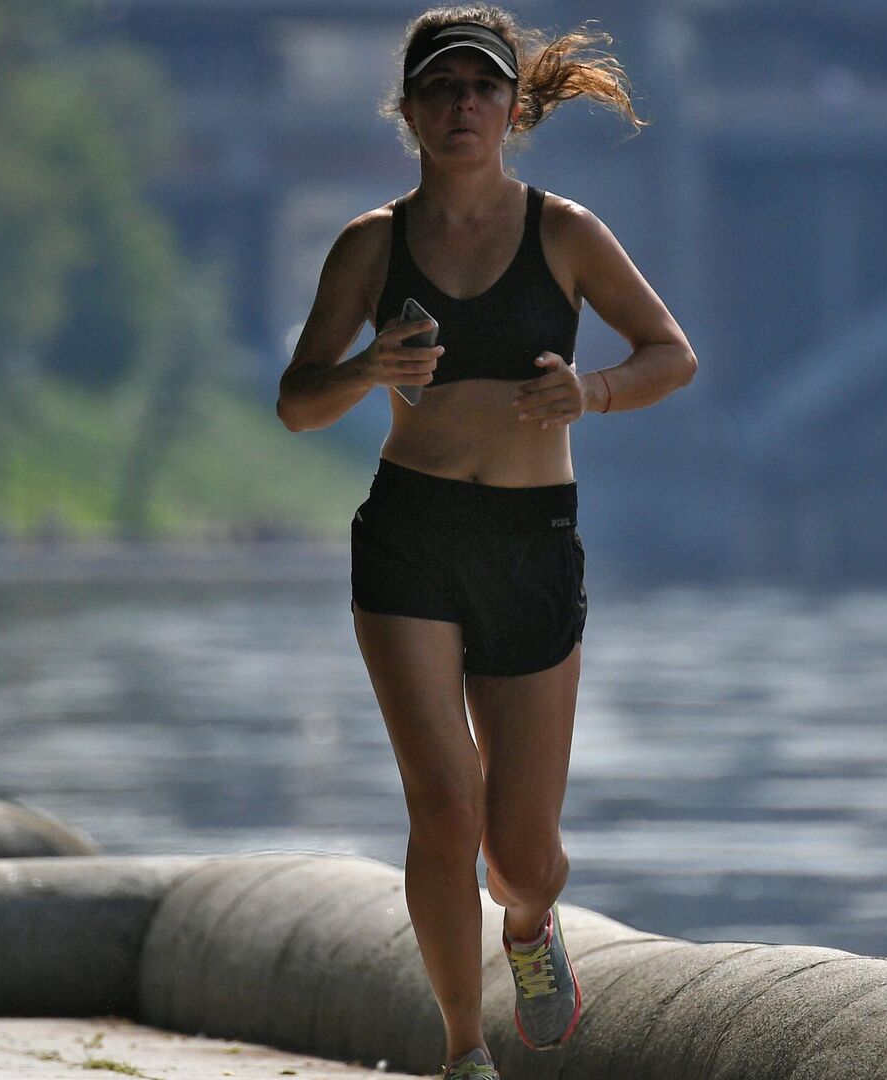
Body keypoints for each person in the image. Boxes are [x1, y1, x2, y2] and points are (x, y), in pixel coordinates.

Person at [275, 6, 695, 1075]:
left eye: (479, 89)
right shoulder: (371, 245)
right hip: (410, 535)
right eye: (439, 89)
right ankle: (464, 1052)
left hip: (529, 541)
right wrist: (370, 370)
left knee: (522, 855)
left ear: (513, 107)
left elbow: (670, 356)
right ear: (409, 110)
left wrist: (587, 391)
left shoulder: (566, 232)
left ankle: (526, 931)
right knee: (442, 807)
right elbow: (296, 404)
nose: (460, 107)